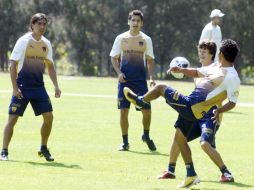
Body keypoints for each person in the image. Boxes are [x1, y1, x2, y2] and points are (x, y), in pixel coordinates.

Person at [124, 39, 240, 188]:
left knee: (160, 87)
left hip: (191, 106)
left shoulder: (232, 77)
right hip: (194, 108)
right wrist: (181, 71)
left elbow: (233, 102)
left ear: (221, 54)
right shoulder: (216, 67)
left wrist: (219, 110)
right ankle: (191, 174)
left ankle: (140, 101)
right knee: (180, 137)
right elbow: (197, 72)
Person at [157, 41, 234, 184]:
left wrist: (218, 116)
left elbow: (220, 98)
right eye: (200, 51)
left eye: (204, 52)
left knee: (206, 144)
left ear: (212, 55)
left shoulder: (217, 69)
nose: (201, 54)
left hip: (210, 115)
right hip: (196, 111)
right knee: (179, 134)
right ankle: (170, 170)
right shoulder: (197, 72)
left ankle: (226, 172)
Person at [0, 13, 61, 162]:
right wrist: (15, 88)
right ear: (32, 25)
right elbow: (12, 64)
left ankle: (43, 148)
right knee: (12, 119)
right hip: (22, 87)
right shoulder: (23, 41)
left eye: (44, 24)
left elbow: (50, 67)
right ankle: (4, 151)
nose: (42, 27)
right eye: (39, 24)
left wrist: (56, 86)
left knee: (49, 117)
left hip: (38, 87)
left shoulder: (46, 44)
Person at [109, 10, 156, 151]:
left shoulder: (146, 40)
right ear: (128, 21)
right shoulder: (120, 38)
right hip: (125, 82)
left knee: (147, 111)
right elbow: (113, 57)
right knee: (123, 111)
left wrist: (152, 78)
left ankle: (146, 135)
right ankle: (125, 142)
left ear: (141, 23)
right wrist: (119, 73)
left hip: (140, 82)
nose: (135, 23)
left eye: (138, 21)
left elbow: (150, 60)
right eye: (133, 20)